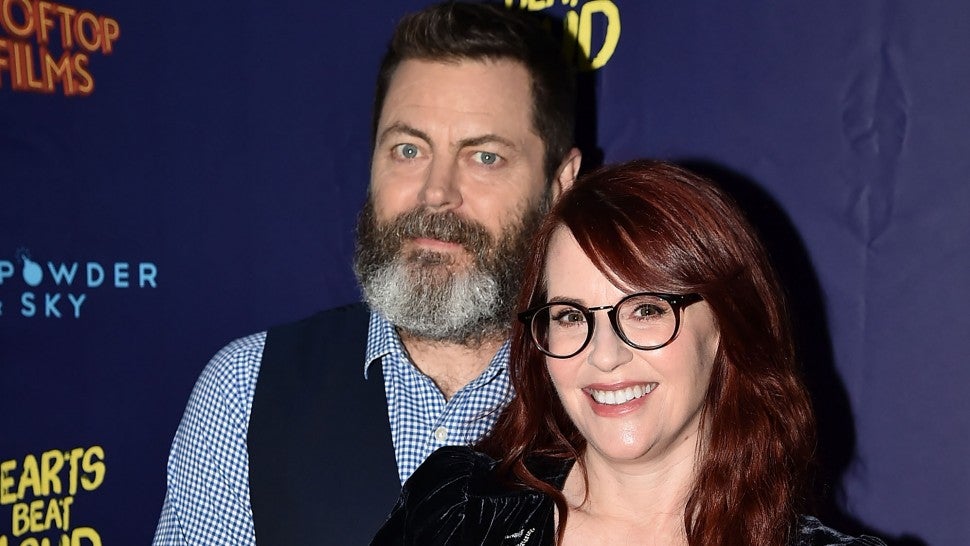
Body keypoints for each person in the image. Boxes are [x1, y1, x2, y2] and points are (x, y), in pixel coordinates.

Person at [151, 3, 582, 544]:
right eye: (409, 149)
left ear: (560, 183)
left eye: (485, 157)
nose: (436, 192)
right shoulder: (245, 391)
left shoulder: (612, 394)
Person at [371, 160, 887, 546]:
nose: (604, 356)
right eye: (571, 316)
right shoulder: (458, 513)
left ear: (725, 325)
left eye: (645, 310)